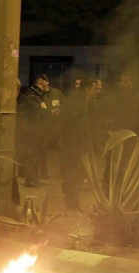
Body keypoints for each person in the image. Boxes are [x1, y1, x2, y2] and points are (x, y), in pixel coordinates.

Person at [60, 77, 103, 211]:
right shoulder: (78, 103)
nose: (98, 92)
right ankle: (71, 205)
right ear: (87, 89)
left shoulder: (86, 102)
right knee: (74, 175)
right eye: (95, 89)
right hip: (74, 145)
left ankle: (72, 204)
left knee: (76, 176)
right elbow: (78, 125)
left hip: (77, 144)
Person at [17, 81, 48, 188]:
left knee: (31, 158)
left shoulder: (27, 102)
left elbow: (35, 119)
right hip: (16, 135)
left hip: (28, 135)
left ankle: (32, 179)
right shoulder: (9, 102)